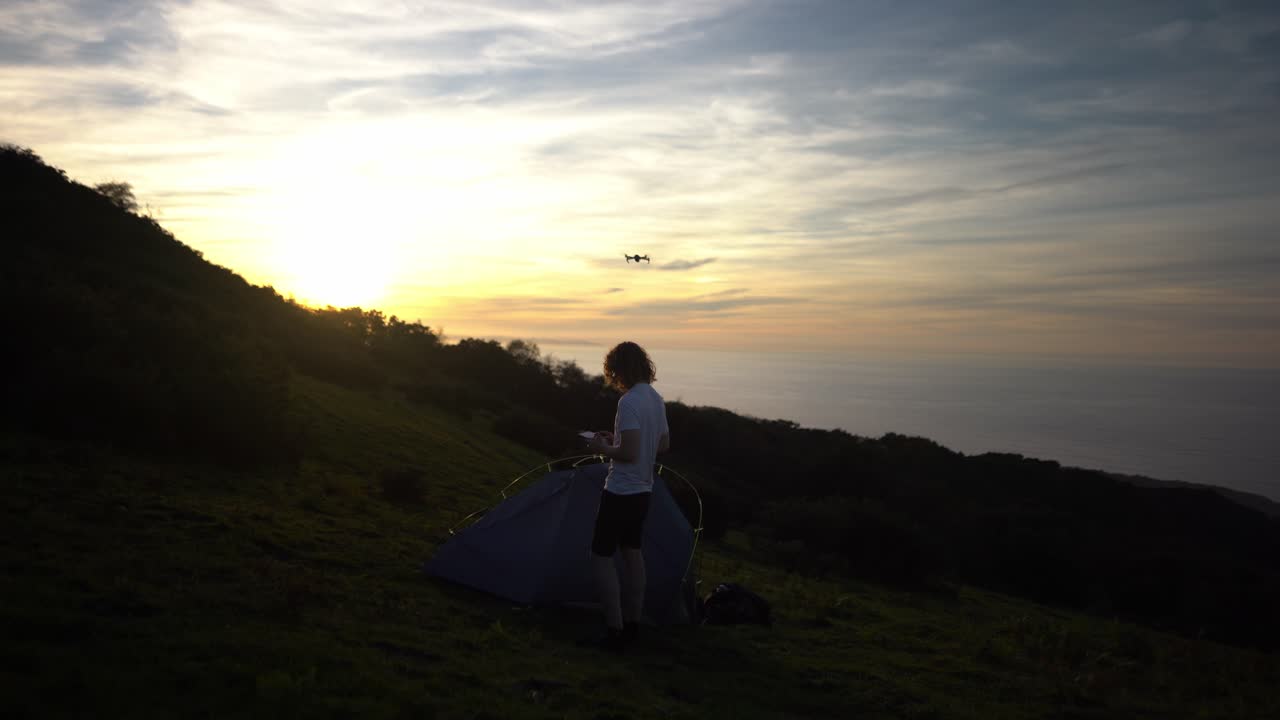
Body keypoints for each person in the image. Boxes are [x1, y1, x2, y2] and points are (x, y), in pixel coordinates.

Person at [585, 341, 670, 651]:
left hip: (621, 489)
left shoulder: (629, 402)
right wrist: (617, 440)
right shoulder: (656, 399)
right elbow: (662, 445)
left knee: (600, 557)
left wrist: (602, 448)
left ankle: (614, 630)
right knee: (633, 554)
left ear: (618, 370)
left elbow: (629, 452)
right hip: (643, 491)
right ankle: (633, 625)